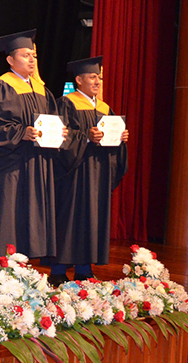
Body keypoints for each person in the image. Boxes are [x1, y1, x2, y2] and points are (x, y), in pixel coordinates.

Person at [0, 29, 65, 273]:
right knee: (4, 218)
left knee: (26, 218)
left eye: (33, 55)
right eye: (25, 55)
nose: (32, 60)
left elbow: (51, 123)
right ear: (10, 60)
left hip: (34, 167)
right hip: (6, 168)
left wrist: (59, 133)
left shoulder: (43, 92)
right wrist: (22, 133)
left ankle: (22, 269)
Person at [49, 56, 128, 285]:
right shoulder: (66, 103)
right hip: (74, 173)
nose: (97, 82)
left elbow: (111, 138)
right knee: (69, 218)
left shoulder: (104, 107)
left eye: (99, 78)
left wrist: (120, 138)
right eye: (93, 77)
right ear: (79, 80)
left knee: (93, 218)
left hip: (98, 173)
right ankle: (58, 269)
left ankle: (85, 269)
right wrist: (85, 137)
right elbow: (60, 135)